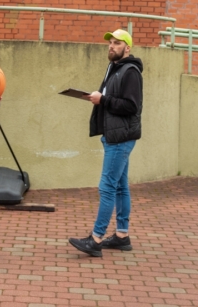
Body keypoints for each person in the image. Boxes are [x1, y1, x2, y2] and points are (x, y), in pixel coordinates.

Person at [69, 29, 143, 258]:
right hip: (115, 135)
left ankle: (96, 239)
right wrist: (97, 98)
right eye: (110, 42)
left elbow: (131, 106)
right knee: (120, 186)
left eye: (117, 43)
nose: (111, 46)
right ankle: (122, 236)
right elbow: (112, 100)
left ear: (127, 48)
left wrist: (104, 100)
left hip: (120, 138)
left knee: (107, 186)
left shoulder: (130, 71)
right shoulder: (114, 69)